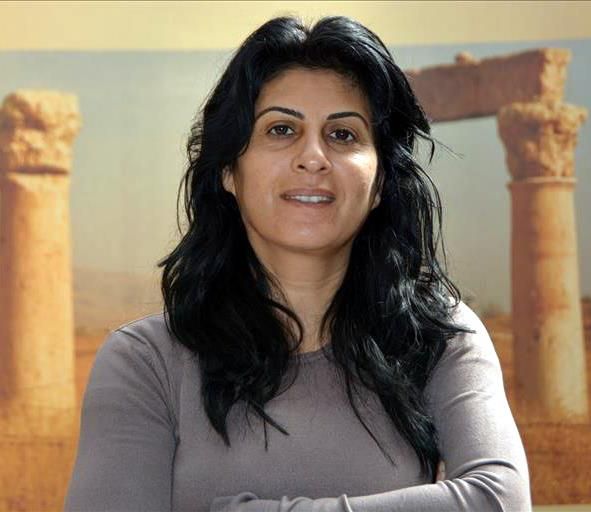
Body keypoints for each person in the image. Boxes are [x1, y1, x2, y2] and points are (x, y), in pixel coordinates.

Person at [64, 15, 531, 512]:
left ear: (379, 184)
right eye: (281, 129)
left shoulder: (437, 337)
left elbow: (498, 499)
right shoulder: (146, 363)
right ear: (228, 170)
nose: (313, 157)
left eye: (344, 135)